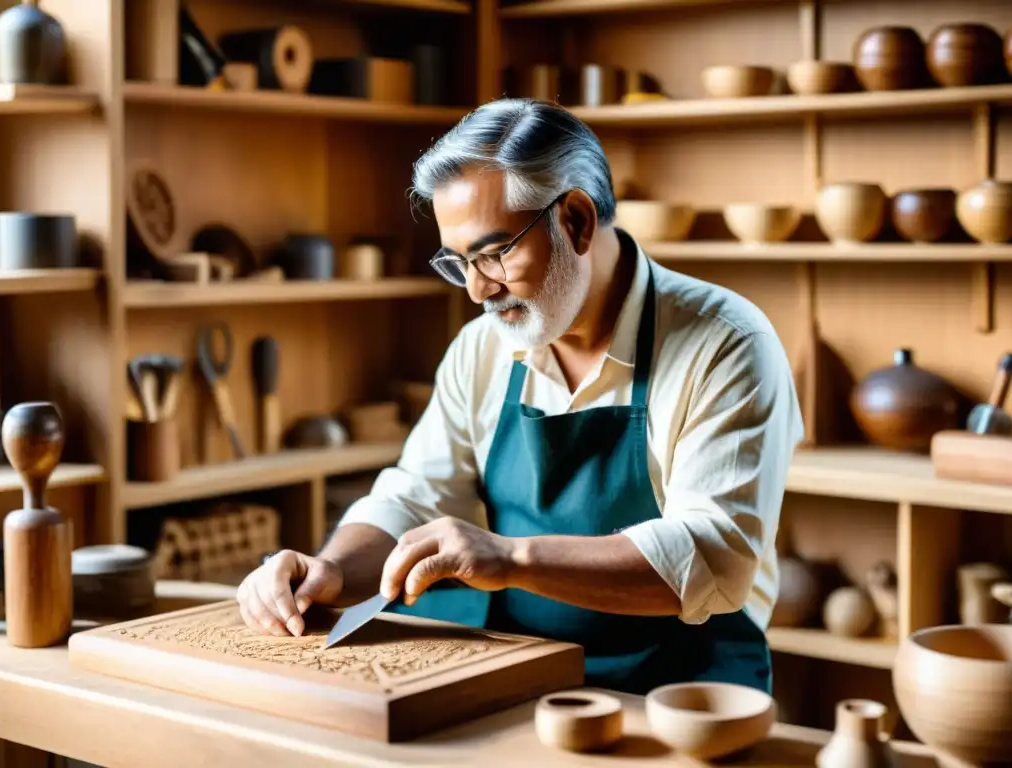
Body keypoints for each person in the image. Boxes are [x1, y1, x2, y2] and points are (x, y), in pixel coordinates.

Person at [236, 98, 804, 696]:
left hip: (685, 686)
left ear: (577, 221)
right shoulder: (482, 349)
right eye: (459, 263)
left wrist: (511, 559)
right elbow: (416, 496)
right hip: (529, 670)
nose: (478, 289)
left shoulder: (727, 344)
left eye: (495, 252)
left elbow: (711, 553)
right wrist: (331, 570)